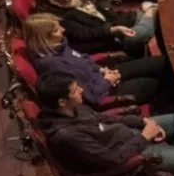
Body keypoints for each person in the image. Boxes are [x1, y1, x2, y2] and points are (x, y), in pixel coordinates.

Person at [34, 76, 174, 176]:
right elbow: (112, 160)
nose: (81, 90)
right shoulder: (67, 136)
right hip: (133, 160)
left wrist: (142, 122)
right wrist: (145, 136)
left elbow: (104, 118)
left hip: (133, 136)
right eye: (75, 91)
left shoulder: (73, 108)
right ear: (61, 102)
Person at [21, 12, 166, 108]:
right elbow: (89, 96)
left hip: (101, 76)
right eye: (57, 29)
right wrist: (108, 81)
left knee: (158, 63)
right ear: (45, 37)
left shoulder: (59, 46)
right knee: (155, 83)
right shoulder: (54, 65)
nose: (63, 30)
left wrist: (102, 70)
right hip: (103, 94)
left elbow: (83, 59)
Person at [40, 0, 159, 54]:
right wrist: (112, 29)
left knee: (158, 17)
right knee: (148, 27)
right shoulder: (54, 14)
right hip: (103, 40)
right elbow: (84, 34)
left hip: (114, 23)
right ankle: (149, 11)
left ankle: (149, 12)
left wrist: (106, 9)